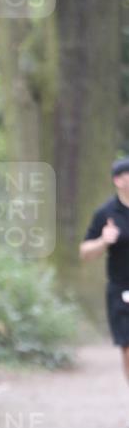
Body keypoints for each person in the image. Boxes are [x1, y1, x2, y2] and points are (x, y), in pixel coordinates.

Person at [80, 157, 129, 387]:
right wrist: (103, 241)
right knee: (128, 348)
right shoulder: (106, 213)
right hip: (122, 290)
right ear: (118, 180)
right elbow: (85, 252)